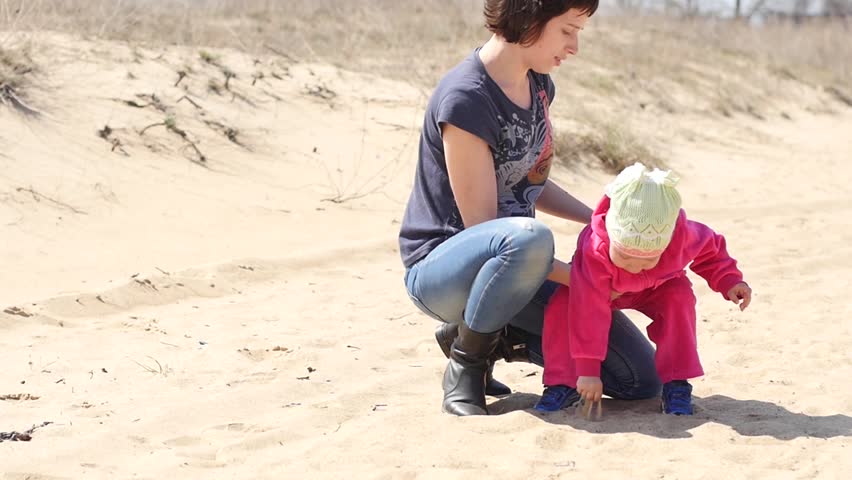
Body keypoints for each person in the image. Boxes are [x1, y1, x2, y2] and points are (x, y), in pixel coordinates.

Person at [398, 0, 662, 416]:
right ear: (530, 18)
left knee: (640, 378)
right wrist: (584, 280)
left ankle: (488, 334)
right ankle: (467, 366)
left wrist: (603, 218)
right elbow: (485, 230)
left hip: (517, 265)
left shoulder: (538, 85)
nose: (574, 46)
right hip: (444, 272)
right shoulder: (467, 100)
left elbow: (528, 179)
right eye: (568, 30)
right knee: (528, 236)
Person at [536, 163, 753, 415]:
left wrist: (729, 281)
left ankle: (676, 383)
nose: (636, 266)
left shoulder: (682, 235)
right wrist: (589, 371)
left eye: (649, 259)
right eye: (625, 257)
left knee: (678, 298)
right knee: (564, 303)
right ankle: (562, 384)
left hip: (658, 287)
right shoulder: (595, 249)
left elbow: (711, 252)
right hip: (597, 289)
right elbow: (589, 312)